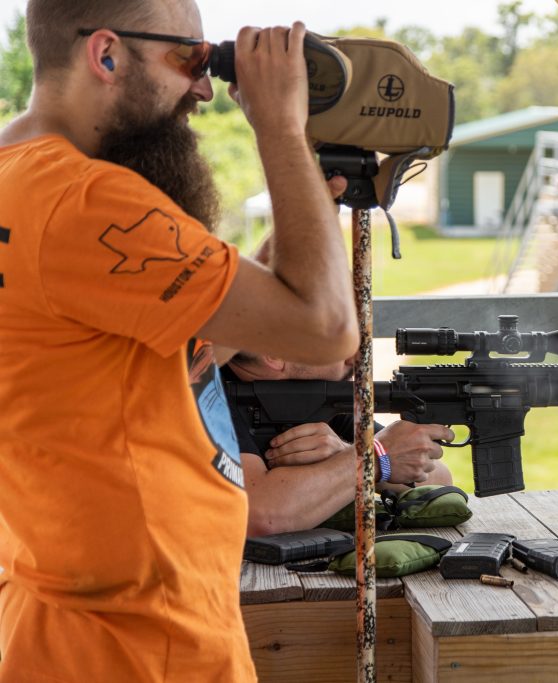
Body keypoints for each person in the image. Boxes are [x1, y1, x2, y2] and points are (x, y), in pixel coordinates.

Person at [0, 2, 358, 681]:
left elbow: (165, 340)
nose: (203, 88)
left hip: (58, 629)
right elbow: (325, 327)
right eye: (190, 59)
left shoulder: (18, 177)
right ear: (105, 55)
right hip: (142, 643)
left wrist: (310, 200)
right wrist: (281, 126)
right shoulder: (85, 200)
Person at [223, 352, 454, 536]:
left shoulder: (316, 393)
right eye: (337, 334)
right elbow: (260, 516)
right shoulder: (202, 391)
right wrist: (370, 459)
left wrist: (346, 456)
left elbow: (439, 480)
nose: (356, 353)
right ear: (273, 353)